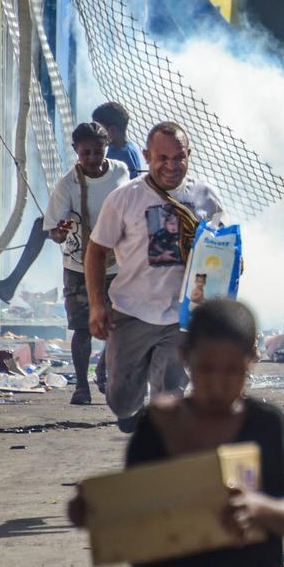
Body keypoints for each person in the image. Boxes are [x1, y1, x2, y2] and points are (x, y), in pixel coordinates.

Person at [68, 299, 284, 567]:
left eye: (233, 371)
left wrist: (257, 507)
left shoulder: (266, 425)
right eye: (206, 369)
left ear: (252, 360)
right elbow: (131, 507)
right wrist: (91, 510)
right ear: (184, 356)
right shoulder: (157, 424)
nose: (218, 384)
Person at [86, 121, 224, 432]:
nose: (171, 166)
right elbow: (95, 252)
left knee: (168, 395)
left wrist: (230, 267)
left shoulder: (204, 196)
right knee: (120, 398)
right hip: (132, 312)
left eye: (179, 158)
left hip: (182, 316)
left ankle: (161, 450)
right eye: (162, 158)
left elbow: (221, 247)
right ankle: (129, 411)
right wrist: (97, 306)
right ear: (147, 156)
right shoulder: (125, 199)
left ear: (189, 155)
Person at [44, 122, 130, 405]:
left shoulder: (120, 172)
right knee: (82, 327)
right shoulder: (67, 186)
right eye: (86, 153)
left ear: (107, 148)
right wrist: (62, 229)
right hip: (79, 266)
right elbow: (55, 235)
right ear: (75, 152)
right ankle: (82, 386)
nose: (92, 159)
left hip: (117, 264)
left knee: (119, 323)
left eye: (97, 151)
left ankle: (104, 367)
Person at [93, 101, 144, 179]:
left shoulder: (122, 155)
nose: (95, 133)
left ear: (112, 131)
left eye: (97, 129)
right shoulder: (123, 147)